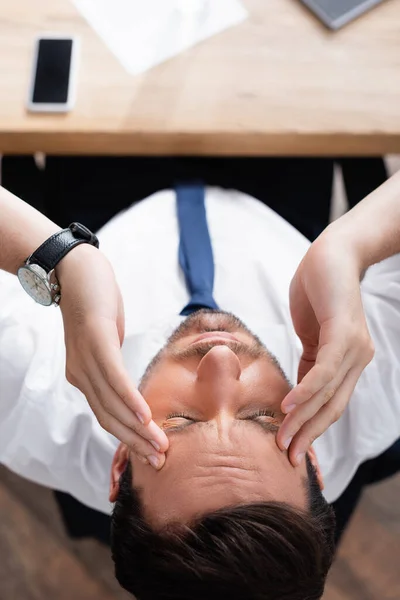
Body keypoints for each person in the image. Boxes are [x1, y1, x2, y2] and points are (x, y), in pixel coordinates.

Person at [0, 169, 399, 599]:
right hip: (275, 176)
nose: (221, 359)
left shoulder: (34, 402)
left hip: (106, 188)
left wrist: (60, 255)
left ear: (120, 466)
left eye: (180, 420)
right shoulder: (372, 387)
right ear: (315, 465)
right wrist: (350, 244)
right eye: (264, 417)